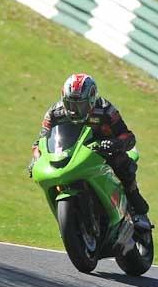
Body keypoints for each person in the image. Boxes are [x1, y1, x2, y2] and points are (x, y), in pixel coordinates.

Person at [31, 73, 151, 230]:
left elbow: (128, 136)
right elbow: (41, 140)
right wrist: (35, 159)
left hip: (103, 149)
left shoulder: (106, 110)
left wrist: (114, 144)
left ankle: (136, 206)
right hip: (72, 152)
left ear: (92, 100)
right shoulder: (54, 112)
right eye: (70, 104)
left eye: (79, 105)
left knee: (122, 165)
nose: (74, 110)